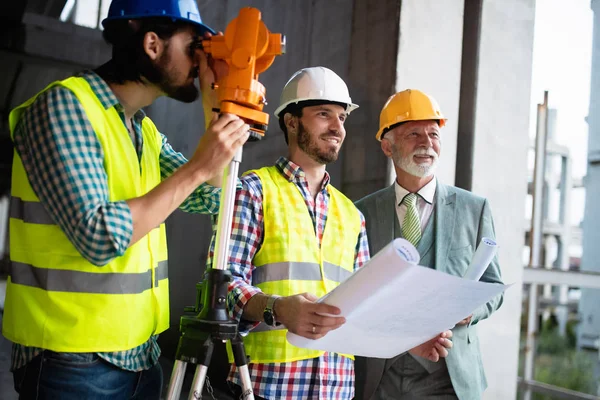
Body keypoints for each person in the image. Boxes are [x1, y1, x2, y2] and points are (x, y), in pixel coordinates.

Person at [3, 0, 250, 398]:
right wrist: (198, 167)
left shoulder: (142, 131)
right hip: (72, 361)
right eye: (193, 49)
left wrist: (215, 102)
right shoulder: (65, 108)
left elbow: (210, 196)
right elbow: (100, 236)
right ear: (152, 44)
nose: (200, 62)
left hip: (141, 355)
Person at [207, 68, 453, 400]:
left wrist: (408, 339)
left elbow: (366, 305)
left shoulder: (351, 214)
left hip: (336, 388)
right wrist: (279, 309)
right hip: (266, 385)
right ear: (292, 121)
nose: (337, 127)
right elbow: (222, 284)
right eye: (324, 114)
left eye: (341, 117)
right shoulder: (254, 191)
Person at [353, 89, 504, 400]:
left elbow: (493, 285)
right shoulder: (360, 213)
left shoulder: (474, 209)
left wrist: (469, 309)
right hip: (380, 375)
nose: (426, 143)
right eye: (413, 133)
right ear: (387, 145)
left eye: (434, 134)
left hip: (449, 377)